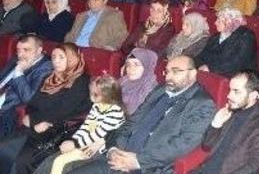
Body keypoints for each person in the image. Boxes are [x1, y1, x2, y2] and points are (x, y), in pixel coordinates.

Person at [60, 55, 217, 174]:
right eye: (167, 71)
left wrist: (138, 161)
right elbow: (131, 122)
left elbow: (183, 144)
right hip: (119, 157)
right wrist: (115, 148)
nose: (168, 77)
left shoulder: (202, 103)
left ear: (193, 74)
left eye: (176, 72)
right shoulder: (160, 91)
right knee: (69, 169)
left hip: (148, 167)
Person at [0, 43, 91, 174]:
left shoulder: (81, 81)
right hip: (37, 125)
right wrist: (32, 119)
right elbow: (33, 102)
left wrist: (33, 120)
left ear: (73, 59)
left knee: (21, 161)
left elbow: (63, 111)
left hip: (57, 129)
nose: (56, 61)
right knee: (3, 147)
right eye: (54, 57)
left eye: (61, 57)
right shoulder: (49, 78)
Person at [191, 70, 259, 174]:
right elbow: (206, 146)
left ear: (253, 95)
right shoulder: (231, 111)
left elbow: (255, 165)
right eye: (230, 90)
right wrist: (216, 124)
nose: (229, 96)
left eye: (236, 91)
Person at [39, 75, 126, 174]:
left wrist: (75, 144)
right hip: (85, 143)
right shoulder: (97, 106)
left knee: (60, 161)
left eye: (95, 94)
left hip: (99, 149)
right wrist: (73, 140)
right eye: (91, 92)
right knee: (51, 160)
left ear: (108, 95)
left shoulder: (115, 111)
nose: (91, 97)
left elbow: (98, 134)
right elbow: (86, 126)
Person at [0, 35, 53, 137]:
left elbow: (29, 98)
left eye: (26, 50)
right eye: (18, 50)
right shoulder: (16, 58)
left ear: (39, 50)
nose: (21, 54)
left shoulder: (46, 68)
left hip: (5, 111)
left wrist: (19, 72)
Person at [195, 7, 258, 76]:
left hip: (238, 76)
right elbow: (203, 55)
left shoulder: (246, 36)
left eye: (219, 21)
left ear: (230, 22)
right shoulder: (216, 37)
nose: (215, 23)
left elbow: (236, 63)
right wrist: (193, 64)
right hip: (212, 73)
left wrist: (210, 68)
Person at [65, 0, 129, 51]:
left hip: (94, 50)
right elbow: (70, 35)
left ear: (105, 1)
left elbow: (122, 36)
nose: (91, 2)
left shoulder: (114, 15)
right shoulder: (81, 16)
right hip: (74, 49)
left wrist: (112, 46)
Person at [119, 48, 158, 115]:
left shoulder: (151, 90)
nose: (131, 69)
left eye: (136, 64)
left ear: (147, 67)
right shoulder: (124, 81)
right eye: (128, 65)